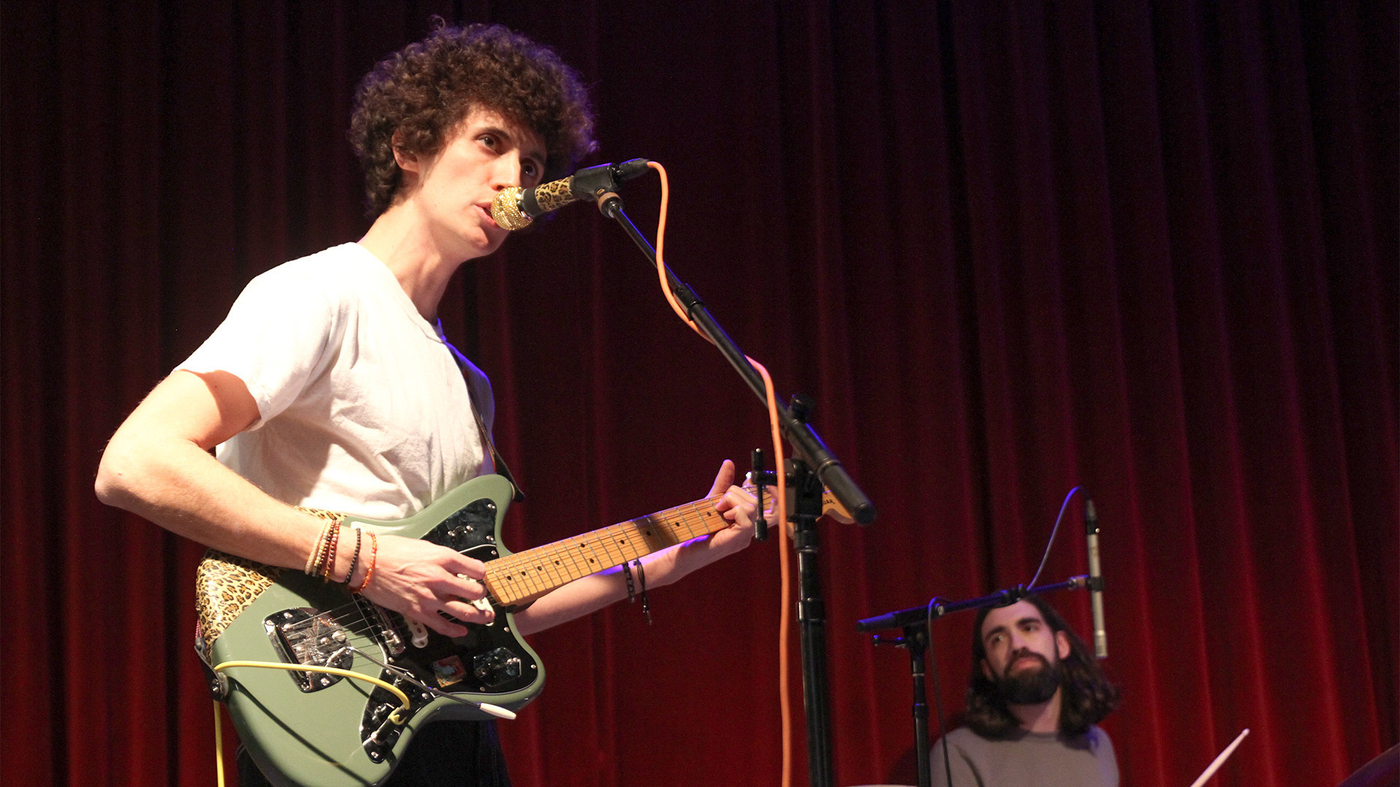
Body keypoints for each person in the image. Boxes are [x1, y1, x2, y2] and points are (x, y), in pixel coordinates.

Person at [94, 20, 758, 787]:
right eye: (490, 143)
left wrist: (674, 557)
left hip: (450, 732)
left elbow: (470, 602)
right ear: (410, 145)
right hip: (327, 723)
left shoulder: (469, 382)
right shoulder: (321, 294)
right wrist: (367, 559)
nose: (518, 178)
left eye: (535, 162)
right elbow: (136, 462)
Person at [930, 595, 1122, 787]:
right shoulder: (958, 753)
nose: (1017, 645)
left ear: (1061, 644)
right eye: (998, 639)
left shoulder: (1098, 743)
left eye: (1029, 628)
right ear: (987, 669)